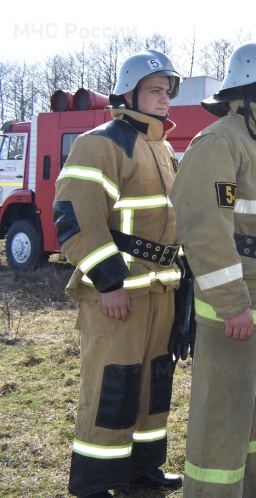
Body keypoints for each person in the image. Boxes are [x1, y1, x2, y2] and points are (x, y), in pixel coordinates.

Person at [170, 38, 256, 497]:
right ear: (252, 82)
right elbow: (205, 229)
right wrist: (232, 304)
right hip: (234, 314)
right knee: (223, 423)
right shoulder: (218, 143)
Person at [53, 49, 184, 497]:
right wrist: (109, 283)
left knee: (152, 384)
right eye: (155, 90)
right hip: (118, 294)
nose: (164, 98)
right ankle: (96, 481)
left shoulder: (162, 148)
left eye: (167, 91)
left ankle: (141, 470)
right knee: (113, 384)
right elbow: (76, 216)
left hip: (159, 291)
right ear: (129, 93)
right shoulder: (100, 143)